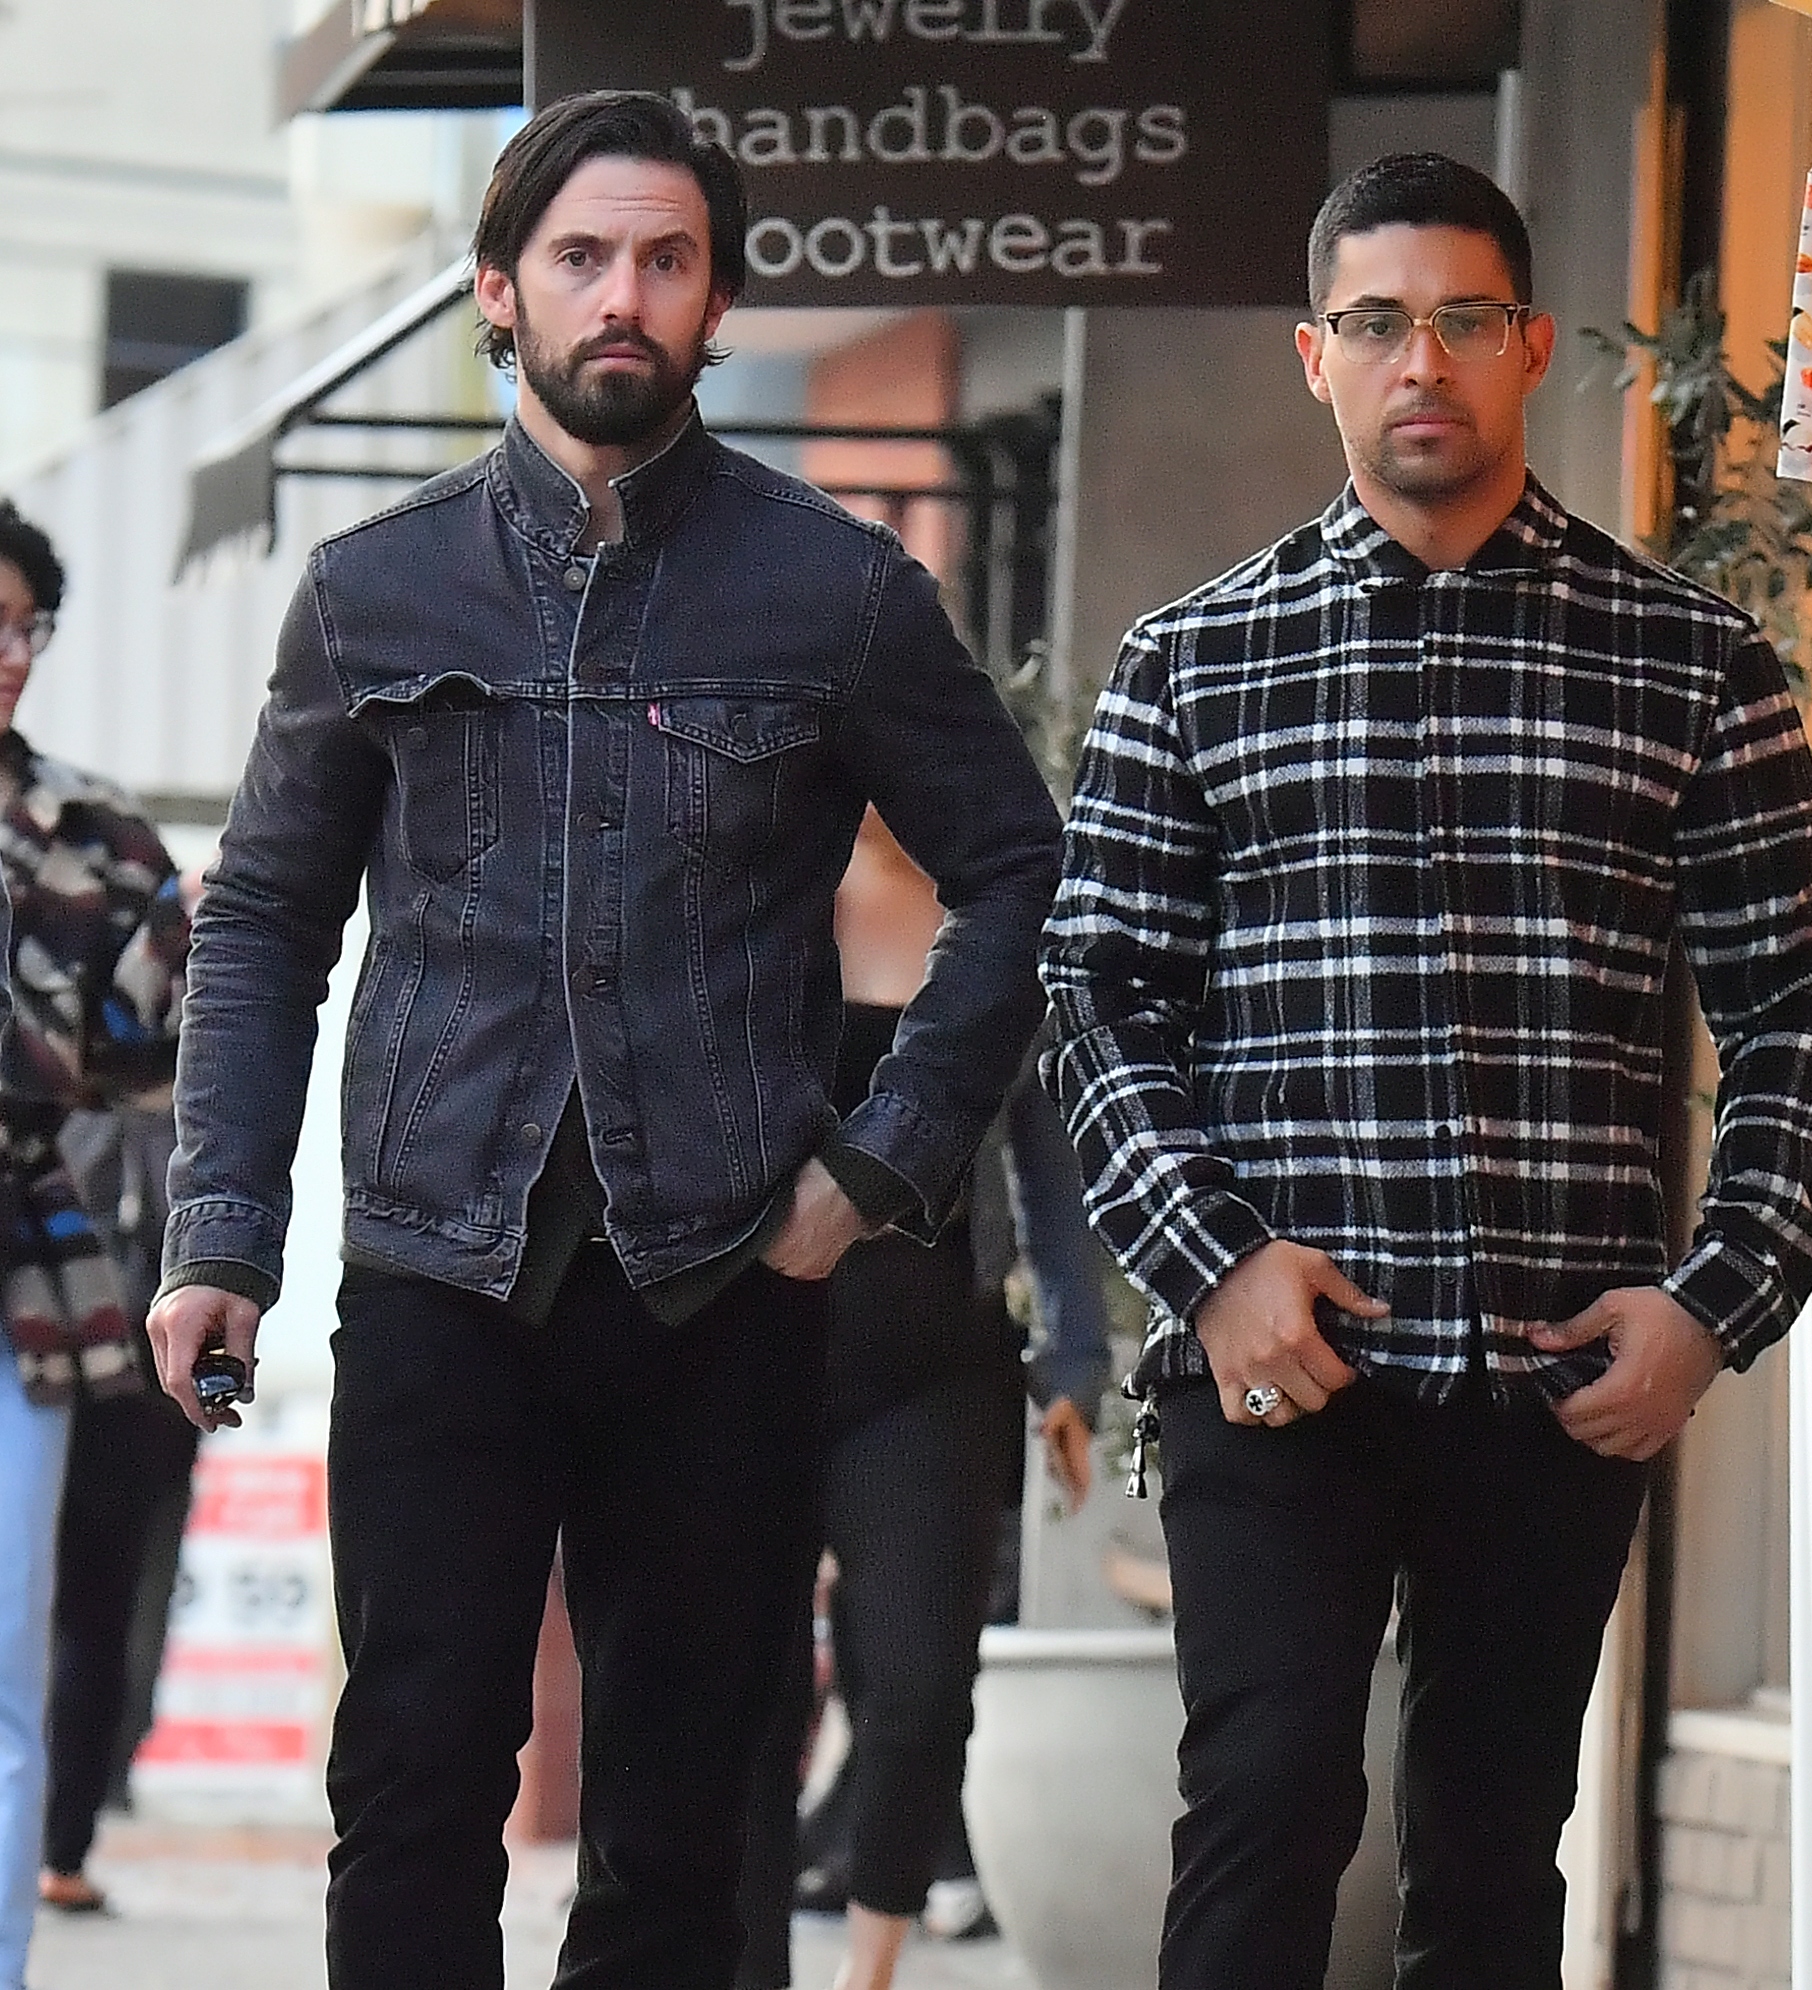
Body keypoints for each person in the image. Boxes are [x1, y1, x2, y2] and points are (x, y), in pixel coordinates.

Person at [145, 90, 1061, 1990]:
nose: (621, 297)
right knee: (410, 1784)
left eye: (664, 261)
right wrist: (221, 1236)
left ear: (718, 302)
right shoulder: (373, 589)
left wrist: (879, 1169)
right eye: (581, 259)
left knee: (686, 1811)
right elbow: (258, 922)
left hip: (725, 1276)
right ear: (501, 290)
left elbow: (1026, 877)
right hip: (432, 1264)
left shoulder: (837, 592)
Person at [1039, 153, 1812, 1990]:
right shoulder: (1193, 662)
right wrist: (1215, 1267)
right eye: (1378, 322)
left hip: (1554, 1373)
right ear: (1311, 358)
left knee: (1494, 1851)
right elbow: (1098, 995)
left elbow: (1799, 1000)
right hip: (1276, 1369)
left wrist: (1708, 1305)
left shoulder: (1688, 662)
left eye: (1464, 320)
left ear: (1533, 347)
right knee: (1260, 1804)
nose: (1424, 359)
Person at [735, 812, 1110, 1990]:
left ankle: (872, 1972)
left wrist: (1076, 1361)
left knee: (918, 1686)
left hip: (938, 1360)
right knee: (742, 1691)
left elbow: (1046, 1163)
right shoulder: (761, 898)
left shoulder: (998, 921)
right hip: (747, 1346)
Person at [0, 500, 186, 1984]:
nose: (6, 654)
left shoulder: (99, 834)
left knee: (7, 1672)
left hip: (33, 1280)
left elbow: (177, 1052)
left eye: (23, 625)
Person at [41, 1099, 200, 1914]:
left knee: (88, 1617)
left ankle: (63, 1839)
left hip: (102, 1392)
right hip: (133, 1401)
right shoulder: (187, 1120)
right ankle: (63, 1844)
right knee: (104, 1616)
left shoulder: (70, 1119)